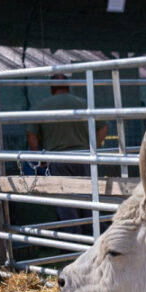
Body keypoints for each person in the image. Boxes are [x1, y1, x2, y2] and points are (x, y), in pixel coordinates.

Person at [26, 73, 108, 225]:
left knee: (67, 206)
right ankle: (93, 238)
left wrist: (40, 157)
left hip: (57, 160)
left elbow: (32, 136)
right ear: (68, 86)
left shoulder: (40, 107)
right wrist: (93, 147)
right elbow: (103, 128)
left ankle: (71, 242)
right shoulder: (84, 104)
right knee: (90, 202)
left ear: (51, 88)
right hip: (85, 158)